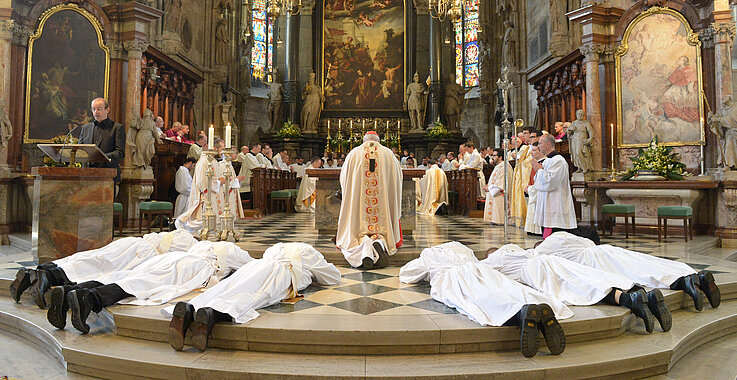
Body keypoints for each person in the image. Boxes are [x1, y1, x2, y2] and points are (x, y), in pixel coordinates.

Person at [400, 242, 571, 357]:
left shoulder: (429, 253)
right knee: (506, 288)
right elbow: (481, 263)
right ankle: (538, 311)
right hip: (482, 270)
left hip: (453, 277)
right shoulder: (464, 250)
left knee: (483, 300)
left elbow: (407, 274)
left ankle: (521, 314)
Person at [46, 240, 252, 333]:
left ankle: (70, 292)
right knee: (140, 284)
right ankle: (90, 299)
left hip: (172, 258)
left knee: (128, 276)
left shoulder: (198, 244)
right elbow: (249, 268)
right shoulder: (231, 250)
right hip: (192, 267)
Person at [165, 242, 341, 351]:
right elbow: (332, 277)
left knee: (228, 287)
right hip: (281, 274)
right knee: (252, 296)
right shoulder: (308, 251)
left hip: (254, 267)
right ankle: (211, 314)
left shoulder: (274, 249)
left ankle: (189, 309)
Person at [484, 245, 662, 333]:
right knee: (589, 278)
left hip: (537, 271)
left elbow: (483, 272)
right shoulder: (522, 250)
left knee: (580, 290)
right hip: (552, 261)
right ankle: (638, 294)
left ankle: (628, 300)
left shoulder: (496, 258)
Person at [535, 231, 721, 312]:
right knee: (645, 264)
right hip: (606, 250)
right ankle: (694, 278)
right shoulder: (560, 236)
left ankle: (684, 282)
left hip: (596, 262)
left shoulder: (543, 251)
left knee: (637, 273)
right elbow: (588, 241)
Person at [10, 229, 198, 308]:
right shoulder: (191, 244)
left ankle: (38, 272)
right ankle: (48, 278)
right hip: (143, 252)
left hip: (134, 243)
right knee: (95, 267)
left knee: (89, 258)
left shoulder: (181, 233)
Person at [336, 131, 403, 269]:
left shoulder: (354, 153)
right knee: (383, 229)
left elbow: (344, 178)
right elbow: (398, 178)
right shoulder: (389, 154)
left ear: (364, 140)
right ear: (378, 140)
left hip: (359, 208)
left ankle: (366, 248)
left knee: (356, 232)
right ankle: (380, 242)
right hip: (382, 208)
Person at [533, 134, 577, 238]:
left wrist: (539, 170)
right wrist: (539, 171)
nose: (538, 146)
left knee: (555, 236)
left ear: (547, 144)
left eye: (540, 143)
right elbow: (539, 181)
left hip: (555, 203)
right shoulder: (547, 160)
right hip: (547, 202)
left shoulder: (559, 160)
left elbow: (550, 181)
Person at [78, 98, 125, 183]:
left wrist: (101, 157)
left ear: (107, 110)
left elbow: (120, 153)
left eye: (99, 109)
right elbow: (80, 150)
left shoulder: (117, 128)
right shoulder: (85, 128)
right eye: (93, 109)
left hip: (108, 175)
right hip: (86, 175)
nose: (96, 112)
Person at [510, 129, 533, 227]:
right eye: (523, 134)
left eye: (526, 134)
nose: (524, 136)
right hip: (523, 177)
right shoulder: (527, 148)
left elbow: (527, 162)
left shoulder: (531, 148)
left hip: (530, 177)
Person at [483, 148, 512, 224]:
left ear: (500, 157)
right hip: (494, 194)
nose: (492, 157)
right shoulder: (499, 166)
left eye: (494, 155)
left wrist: (489, 188)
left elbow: (501, 184)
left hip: (500, 195)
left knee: (499, 221)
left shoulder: (504, 167)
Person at [524, 144, 545, 235]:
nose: (531, 153)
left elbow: (542, 181)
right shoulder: (536, 163)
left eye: (534, 151)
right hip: (533, 190)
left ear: (541, 151)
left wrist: (530, 189)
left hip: (539, 194)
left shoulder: (544, 163)